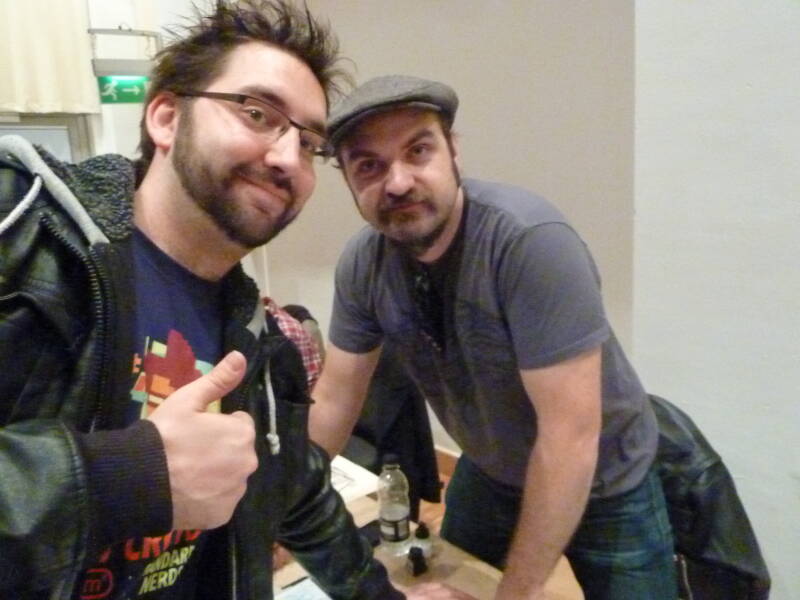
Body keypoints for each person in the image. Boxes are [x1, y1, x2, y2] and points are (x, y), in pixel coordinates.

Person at [0, 2, 411, 598]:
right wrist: (120, 479)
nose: (287, 159)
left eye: (308, 143)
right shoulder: (22, 234)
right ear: (166, 118)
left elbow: (298, 493)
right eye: (257, 113)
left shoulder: (261, 342)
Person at [310, 75, 679, 600]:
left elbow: (570, 438)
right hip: (490, 471)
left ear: (454, 151)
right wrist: (276, 510)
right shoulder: (363, 264)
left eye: (418, 151)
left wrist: (515, 593)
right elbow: (333, 399)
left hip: (607, 479)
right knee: (448, 580)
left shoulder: (529, 244)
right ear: (348, 181)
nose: (398, 183)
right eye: (368, 166)